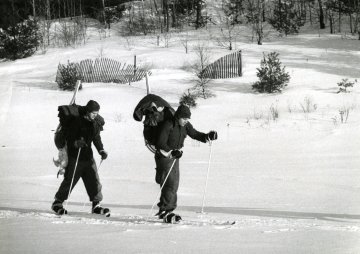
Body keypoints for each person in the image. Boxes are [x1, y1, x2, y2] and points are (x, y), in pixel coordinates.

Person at [154, 104, 217, 221]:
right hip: (163, 156)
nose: (186, 121)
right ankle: (166, 210)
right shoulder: (168, 124)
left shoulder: (185, 125)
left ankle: (166, 209)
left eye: (187, 119)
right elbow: (160, 143)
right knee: (170, 183)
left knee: (174, 183)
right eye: (184, 118)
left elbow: (195, 134)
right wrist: (171, 152)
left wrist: (208, 136)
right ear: (178, 116)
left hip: (175, 156)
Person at [51, 100, 109, 216]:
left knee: (94, 180)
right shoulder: (77, 122)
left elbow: (96, 138)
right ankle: (57, 203)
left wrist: (101, 150)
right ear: (87, 111)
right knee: (70, 180)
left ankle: (96, 205)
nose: (95, 115)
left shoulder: (95, 123)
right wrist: (76, 143)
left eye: (97, 113)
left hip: (88, 157)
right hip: (75, 156)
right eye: (93, 113)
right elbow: (70, 137)